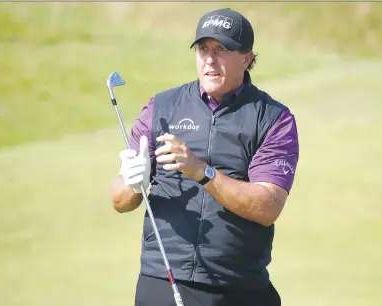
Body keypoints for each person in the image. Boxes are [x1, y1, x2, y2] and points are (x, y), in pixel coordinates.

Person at [111, 8, 299, 306]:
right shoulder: (161, 107)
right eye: (203, 49)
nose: (209, 59)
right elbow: (120, 200)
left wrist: (202, 172)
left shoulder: (273, 119)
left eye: (221, 49)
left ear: (247, 58)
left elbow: (267, 206)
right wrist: (133, 184)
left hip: (239, 286)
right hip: (164, 278)